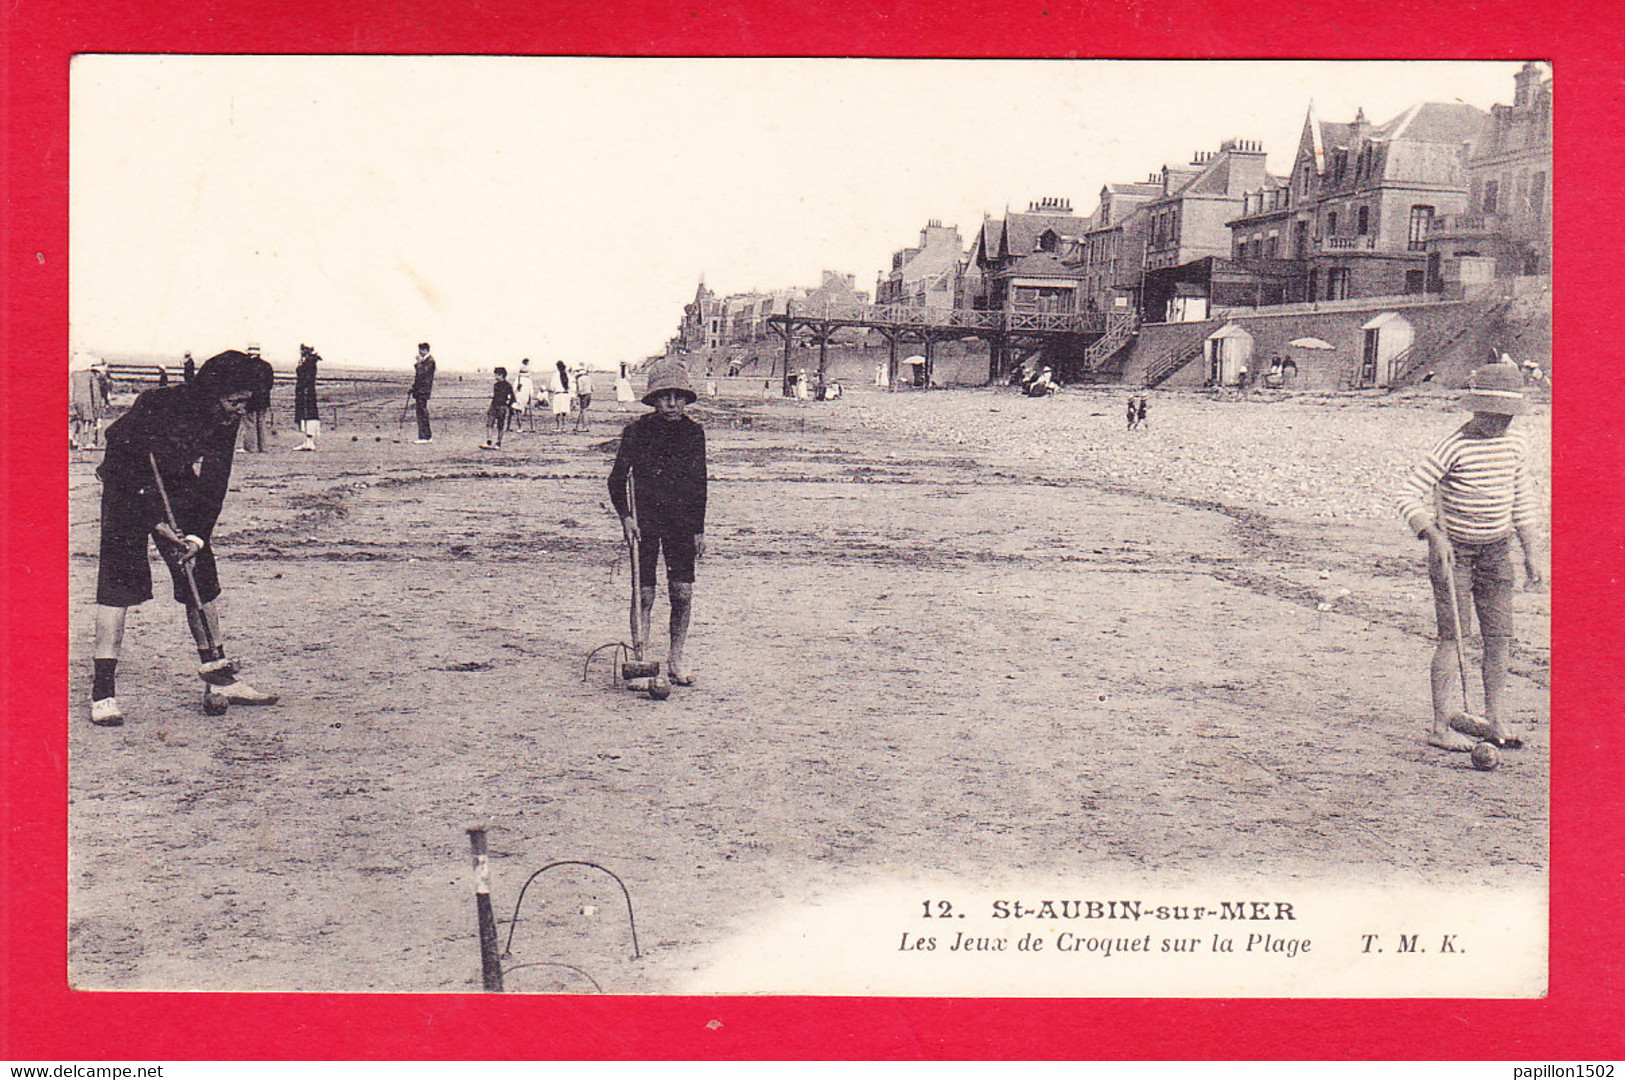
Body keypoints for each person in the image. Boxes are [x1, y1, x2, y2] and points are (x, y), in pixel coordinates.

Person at [87, 349, 280, 727]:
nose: (240, 410)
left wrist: (196, 536)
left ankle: (219, 679)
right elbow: (118, 453)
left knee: (200, 574)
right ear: (212, 391)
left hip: (175, 483)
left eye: (247, 402)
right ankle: (103, 692)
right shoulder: (160, 404)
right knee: (119, 583)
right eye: (235, 401)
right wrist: (153, 519)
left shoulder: (226, 417)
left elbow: (214, 479)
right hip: (127, 485)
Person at [1396, 363, 1546, 754]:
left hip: (1497, 551)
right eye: (1490, 415)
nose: (1497, 424)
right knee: (1454, 638)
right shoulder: (1453, 446)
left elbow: (1523, 502)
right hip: (1454, 554)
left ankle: (1496, 719)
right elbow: (1408, 495)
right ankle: (1441, 724)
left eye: (1505, 417)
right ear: (1475, 409)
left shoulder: (1515, 445)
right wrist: (1432, 535)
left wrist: (1532, 553)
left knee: (1499, 637)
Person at [608, 360, 707, 689]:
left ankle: (676, 658)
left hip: (681, 522)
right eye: (665, 396)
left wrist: (698, 530)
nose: (673, 403)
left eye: (679, 396)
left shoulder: (694, 433)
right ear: (653, 399)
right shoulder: (636, 432)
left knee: (682, 593)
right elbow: (616, 481)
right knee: (645, 594)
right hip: (645, 522)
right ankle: (641, 661)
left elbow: (699, 484)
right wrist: (626, 518)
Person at [240, 344, 268, 452]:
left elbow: (243, 383)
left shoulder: (246, 366)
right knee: (262, 422)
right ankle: (263, 447)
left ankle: (250, 447)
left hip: (250, 398)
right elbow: (269, 383)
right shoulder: (266, 365)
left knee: (249, 422)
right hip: (264, 398)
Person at [294, 344, 322, 451]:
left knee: (308, 415)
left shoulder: (309, 363)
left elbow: (305, 378)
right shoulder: (309, 362)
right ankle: (307, 441)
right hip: (306, 392)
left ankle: (309, 442)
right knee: (306, 416)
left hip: (306, 392)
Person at [483, 366, 516, 449]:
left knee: (500, 425)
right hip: (493, 405)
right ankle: (489, 441)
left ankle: (498, 443)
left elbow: (512, 398)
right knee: (489, 423)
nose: (495, 377)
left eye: (496, 375)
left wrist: (508, 407)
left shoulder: (508, 386)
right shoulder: (496, 385)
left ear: (501, 375)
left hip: (502, 407)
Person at [410, 342, 435, 443]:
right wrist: (413, 387)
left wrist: (418, 363)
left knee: (422, 413)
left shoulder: (430, 361)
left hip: (423, 391)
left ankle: (424, 437)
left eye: (420, 350)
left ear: (425, 350)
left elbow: (422, 373)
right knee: (421, 412)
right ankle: (425, 436)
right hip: (420, 390)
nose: (419, 352)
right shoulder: (426, 360)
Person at [511, 358, 536, 433]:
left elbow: (514, 389)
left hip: (518, 397)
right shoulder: (528, 380)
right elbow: (531, 391)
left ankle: (520, 427)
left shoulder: (518, 379)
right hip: (525, 397)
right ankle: (526, 427)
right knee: (523, 410)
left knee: (518, 411)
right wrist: (530, 397)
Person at [549, 360, 572, 433]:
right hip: (565, 394)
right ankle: (564, 426)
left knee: (558, 412)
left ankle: (558, 427)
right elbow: (571, 386)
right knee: (564, 411)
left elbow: (552, 387)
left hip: (558, 394)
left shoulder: (555, 375)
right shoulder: (568, 374)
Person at [573, 367, 595, 433]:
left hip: (583, 395)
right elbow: (593, 388)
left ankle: (585, 427)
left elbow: (580, 389)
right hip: (589, 394)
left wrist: (577, 396)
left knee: (583, 411)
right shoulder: (589, 378)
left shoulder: (580, 379)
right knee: (584, 410)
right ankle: (582, 426)